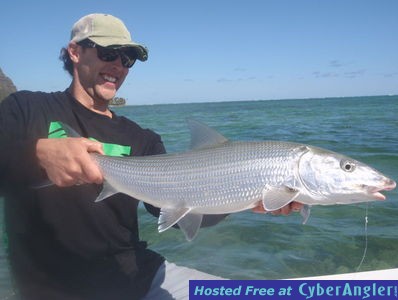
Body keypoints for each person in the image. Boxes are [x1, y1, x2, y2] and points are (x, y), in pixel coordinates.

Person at [0, 13, 303, 300]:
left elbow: (168, 212)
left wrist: (244, 195)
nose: (118, 65)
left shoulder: (142, 138)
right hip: (53, 289)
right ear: (75, 52)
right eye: (109, 53)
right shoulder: (25, 109)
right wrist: (37, 154)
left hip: (139, 279)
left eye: (127, 58)